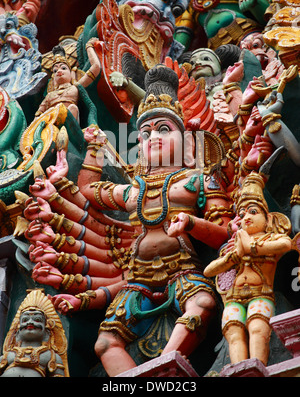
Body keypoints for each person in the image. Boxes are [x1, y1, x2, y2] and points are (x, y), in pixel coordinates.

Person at [27, 63, 233, 376]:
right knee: (105, 343)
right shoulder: (132, 190)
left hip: (182, 271)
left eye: (165, 130)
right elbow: (89, 190)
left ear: (189, 147)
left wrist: (190, 224)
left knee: (202, 305)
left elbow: (223, 235)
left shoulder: (199, 181)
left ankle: (166, 366)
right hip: (135, 278)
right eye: (146, 133)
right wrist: (95, 148)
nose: (153, 138)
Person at [204, 172, 293, 366]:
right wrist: (233, 256)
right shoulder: (233, 248)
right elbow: (209, 271)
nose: (246, 218)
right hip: (234, 298)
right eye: (242, 215)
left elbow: (286, 245)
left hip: (260, 294)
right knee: (234, 333)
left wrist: (251, 248)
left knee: (257, 329)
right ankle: (240, 370)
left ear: (267, 219)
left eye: (253, 212)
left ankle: (256, 367)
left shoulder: (270, 238)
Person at [0, 289, 69, 377]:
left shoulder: (50, 356)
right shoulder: (8, 354)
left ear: (47, 330)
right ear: (17, 330)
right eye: (25, 320)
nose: (30, 322)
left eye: (37, 319)